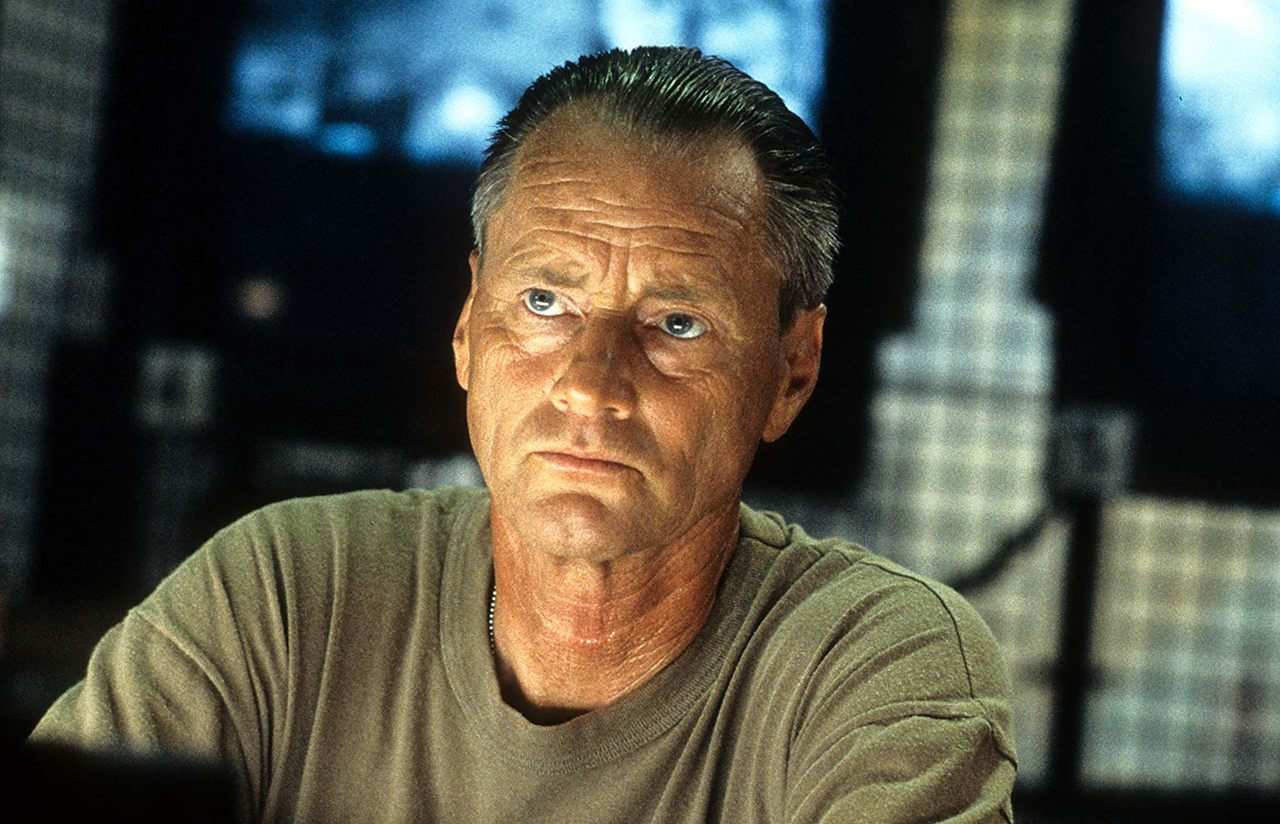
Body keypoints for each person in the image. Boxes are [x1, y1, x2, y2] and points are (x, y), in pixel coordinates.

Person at [30, 46, 1017, 822]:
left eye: (676, 324)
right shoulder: (287, 597)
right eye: (545, 302)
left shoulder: (870, 662)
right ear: (469, 324)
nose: (590, 386)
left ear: (791, 370)